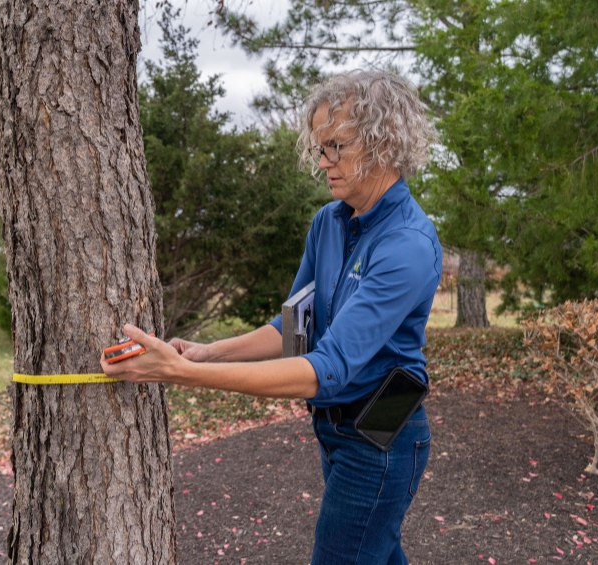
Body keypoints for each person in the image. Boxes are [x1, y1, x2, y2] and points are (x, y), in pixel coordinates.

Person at [101, 69, 442, 565]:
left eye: (336, 147)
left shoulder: (407, 245)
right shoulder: (328, 222)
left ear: (383, 143)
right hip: (335, 425)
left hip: (383, 434)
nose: (323, 162)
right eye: (319, 148)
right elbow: (295, 329)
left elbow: (325, 369)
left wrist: (183, 374)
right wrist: (206, 353)